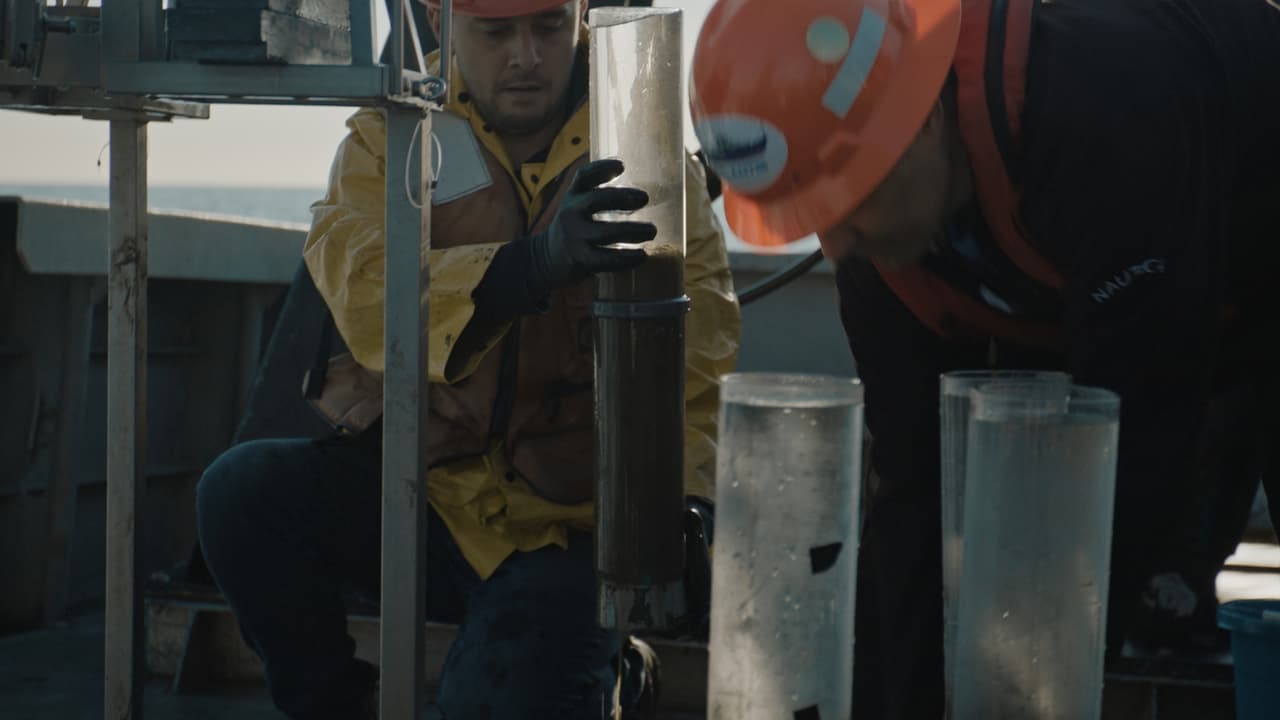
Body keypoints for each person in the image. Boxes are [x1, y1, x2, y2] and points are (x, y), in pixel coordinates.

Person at [688, 0, 1280, 717]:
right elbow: (912, 491)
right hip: (1137, 284)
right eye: (810, 212)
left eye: (847, 198)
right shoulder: (877, 241)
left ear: (924, 120)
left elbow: (1136, 451)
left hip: (1227, 221)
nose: (837, 247)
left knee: (1143, 581)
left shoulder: (1102, 110)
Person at [194, 0, 741, 717]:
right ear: (441, 19)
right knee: (240, 496)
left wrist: (691, 501)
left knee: (496, 699)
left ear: (581, 15)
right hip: (422, 489)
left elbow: (697, 358)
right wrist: (528, 267)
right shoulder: (397, 127)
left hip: (564, 526)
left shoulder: (646, 147)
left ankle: (613, 668)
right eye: (496, 31)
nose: (526, 56)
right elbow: (357, 278)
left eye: (549, 26)